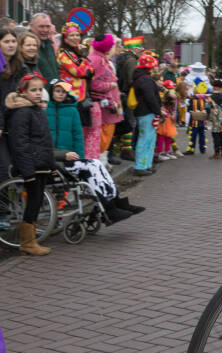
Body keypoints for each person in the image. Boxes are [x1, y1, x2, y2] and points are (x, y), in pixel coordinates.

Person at [46, 80, 143, 222]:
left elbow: (78, 136)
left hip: (69, 159)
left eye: (63, 91)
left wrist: (79, 157)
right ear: (51, 92)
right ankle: (109, 207)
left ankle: (116, 201)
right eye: (57, 91)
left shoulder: (72, 110)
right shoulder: (45, 111)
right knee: (91, 168)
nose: (60, 94)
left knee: (97, 164)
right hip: (54, 160)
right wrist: (63, 155)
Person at [4, 73, 55, 256]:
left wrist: (51, 164)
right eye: (33, 90)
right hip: (31, 165)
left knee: (37, 200)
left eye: (40, 90)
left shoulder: (36, 110)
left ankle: (31, 239)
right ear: (23, 91)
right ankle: (27, 242)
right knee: (33, 202)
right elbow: (20, 144)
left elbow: (44, 140)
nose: (38, 93)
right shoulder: (22, 112)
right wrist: (28, 171)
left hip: (40, 162)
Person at [88, 33, 123, 165]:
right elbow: (93, 83)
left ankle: (102, 163)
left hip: (108, 104)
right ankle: (100, 165)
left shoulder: (102, 59)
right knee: (102, 137)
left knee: (106, 136)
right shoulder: (97, 60)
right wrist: (110, 85)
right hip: (103, 105)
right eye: (114, 45)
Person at [131, 52, 162, 176]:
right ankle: (140, 166)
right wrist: (158, 111)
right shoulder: (146, 80)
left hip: (144, 112)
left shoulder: (139, 78)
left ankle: (146, 165)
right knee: (145, 140)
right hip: (147, 113)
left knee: (148, 139)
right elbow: (150, 97)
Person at [0, 28, 23, 182]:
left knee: (15, 167)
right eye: (6, 41)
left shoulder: (20, 67)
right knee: (3, 167)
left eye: (13, 41)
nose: (11, 45)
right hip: (1, 125)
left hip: (15, 123)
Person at [29, 14, 59, 83]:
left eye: (48, 26)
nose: (45, 30)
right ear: (31, 26)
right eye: (41, 26)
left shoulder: (49, 44)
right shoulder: (26, 46)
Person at [208, 79, 222, 159]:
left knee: (215, 136)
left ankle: (217, 153)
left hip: (215, 119)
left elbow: (207, 107)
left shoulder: (211, 97)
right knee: (221, 135)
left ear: (215, 87)